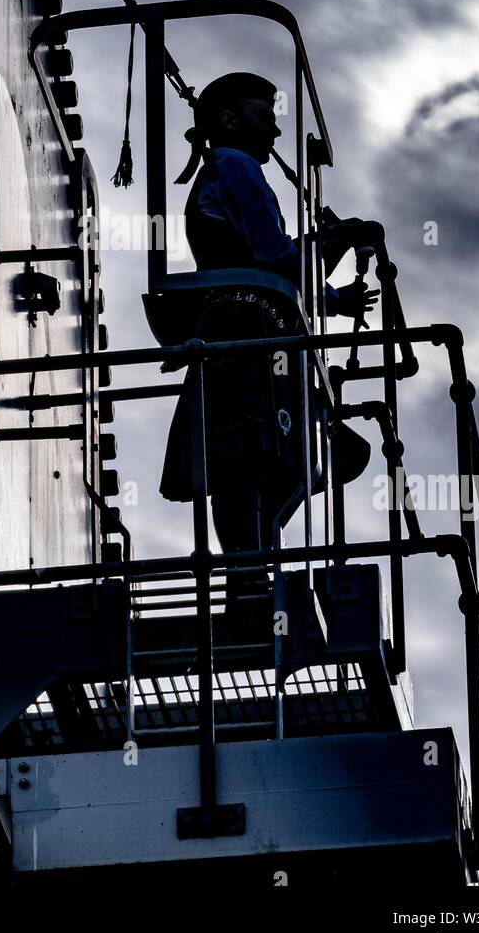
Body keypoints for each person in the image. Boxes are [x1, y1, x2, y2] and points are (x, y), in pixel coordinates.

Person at [158, 72, 377, 622]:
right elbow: (272, 255)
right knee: (250, 460)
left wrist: (330, 294)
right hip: (244, 336)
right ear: (229, 120)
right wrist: (334, 242)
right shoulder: (235, 167)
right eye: (265, 116)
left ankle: (253, 571)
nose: (277, 130)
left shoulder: (234, 169)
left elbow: (277, 266)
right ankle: (251, 580)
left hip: (257, 335)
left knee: (296, 457)